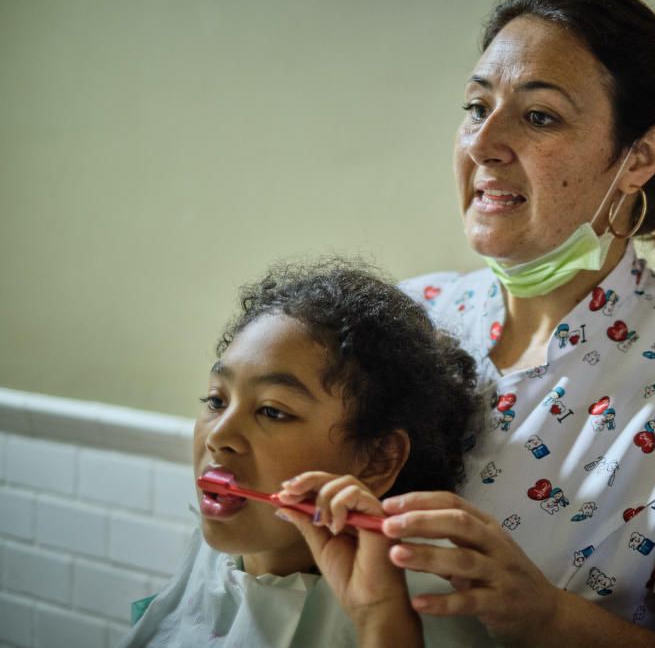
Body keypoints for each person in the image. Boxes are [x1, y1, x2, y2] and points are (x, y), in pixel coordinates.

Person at [381, 0, 655, 646]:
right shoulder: (406, 317)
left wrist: (550, 617)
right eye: (477, 107)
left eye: (538, 117)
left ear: (639, 156)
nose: (483, 144)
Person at [120, 259, 493, 647]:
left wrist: (381, 619)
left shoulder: (428, 616)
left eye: (272, 411)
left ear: (378, 459)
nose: (219, 436)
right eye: (216, 400)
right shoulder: (210, 554)